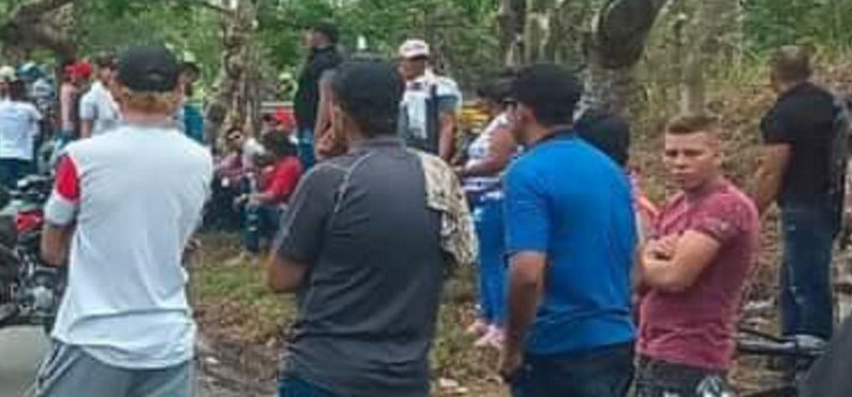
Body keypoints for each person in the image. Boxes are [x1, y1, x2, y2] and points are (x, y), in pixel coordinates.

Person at [268, 58, 456, 396]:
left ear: (338, 112)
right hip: (407, 373)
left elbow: (281, 278)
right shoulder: (437, 174)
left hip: (327, 372)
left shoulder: (329, 181)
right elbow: (450, 260)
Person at [32, 46, 211, 397]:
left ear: (116, 90)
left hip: (92, 337)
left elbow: (51, 250)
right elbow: (180, 239)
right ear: (179, 92)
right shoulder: (201, 160)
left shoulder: (81, 159)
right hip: (168, 342)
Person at [496, 64, 637, 397]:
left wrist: (513, 346)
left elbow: (527, 274)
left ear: (523, 112)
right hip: (616, 340)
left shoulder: (527, 172)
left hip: (559, 348)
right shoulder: (609, 169)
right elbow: (636, 268)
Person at [633, 113, 759, 397]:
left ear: (718, 155)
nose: (679, 162)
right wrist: (651, 257)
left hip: (693, 352)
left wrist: (642, 260)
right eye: (671, 153)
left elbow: (677, 277)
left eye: (692, 153)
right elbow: (637, 283)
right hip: (651, 345)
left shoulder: (726, 206)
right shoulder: (676, 204)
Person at [749, 45, 842, 340]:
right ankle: (790, 347)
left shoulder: (782, 114)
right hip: (834, 199)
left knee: (807, 286)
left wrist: (750, 214)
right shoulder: (829, 102)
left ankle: (812, 357)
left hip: (802, 205)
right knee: (791, 281)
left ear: (773, 75)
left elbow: (772, 170)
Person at [456, 79, 520, 349]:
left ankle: (502, 323)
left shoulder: (505, 126)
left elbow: (497, 162)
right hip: (482, 197)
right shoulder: (495, 124)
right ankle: (486, 314)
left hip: (495, 199)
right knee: (485, 260)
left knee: (495, 262)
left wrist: (462, 172)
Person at [396, 40, 461, 159]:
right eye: (411, 59)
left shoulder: (442, 87)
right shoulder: (393, 86)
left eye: (420, 59)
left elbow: (447, 126)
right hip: (398, 153)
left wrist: (441, 160)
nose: (417, 63)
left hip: (428, 153)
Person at [240, 131, 300, 257]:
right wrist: (257, 168)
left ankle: (250, 251)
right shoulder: (278, 164)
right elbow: (262, 186)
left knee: (254, 207)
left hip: (288, 210)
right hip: (279, 207)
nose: (264, 152)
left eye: (266, 148)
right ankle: (262, 243)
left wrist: (248, 197)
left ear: (275, 149)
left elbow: (273, 195)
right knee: (255, 204)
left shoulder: (289, 165)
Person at [294, 22, 343, 169]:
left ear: (320, 35)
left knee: (314, 166)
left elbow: (326, 97)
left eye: (310, 33)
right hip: (306, 123)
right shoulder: (315, 58)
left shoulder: (328, 61)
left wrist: (318, 131)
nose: (307, 37)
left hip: (316, 124)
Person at [0, 78, 43, 190]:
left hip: (5, 152)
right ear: (23, 92)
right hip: (24, 154)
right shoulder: (29, 109)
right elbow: (41, 122)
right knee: (24, 187)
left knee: (6, 188)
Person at [76, 54, 122, 138]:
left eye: (114, 68)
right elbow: (86, 130)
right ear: (99, 70)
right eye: (107, 68)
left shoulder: (125, 93)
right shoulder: (90, 97)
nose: (111, 73)